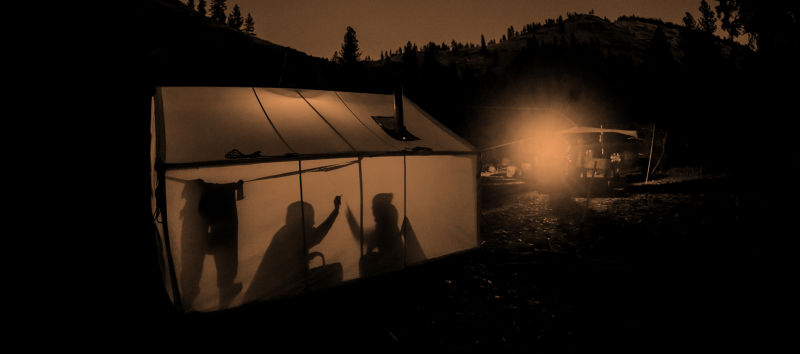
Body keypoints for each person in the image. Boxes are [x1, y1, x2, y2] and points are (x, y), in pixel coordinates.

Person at [244, 196, 341, 302]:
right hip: (279, 290)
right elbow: (318, 235)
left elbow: (289, 257)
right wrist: (335, 211)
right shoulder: (295, 232)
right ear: (302, 218)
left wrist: (304, 256)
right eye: (310, 217)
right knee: (334, 271)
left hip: (275, 287)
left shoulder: (284, 232)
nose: (313, 222)